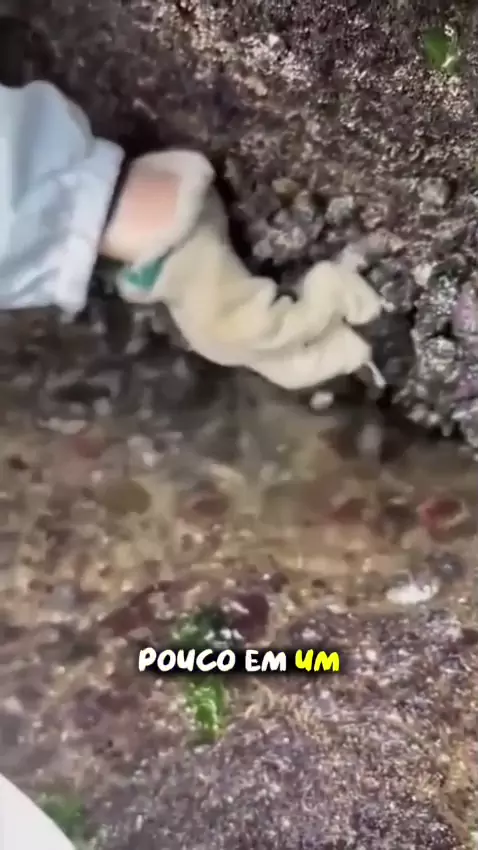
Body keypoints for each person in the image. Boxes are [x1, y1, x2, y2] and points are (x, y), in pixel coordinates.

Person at [0, 80, 386, 393]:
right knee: (240, 336)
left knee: (239, 330)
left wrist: (81, 206)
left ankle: (141, 217)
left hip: (127, 212)